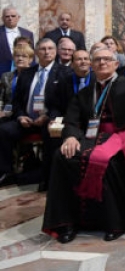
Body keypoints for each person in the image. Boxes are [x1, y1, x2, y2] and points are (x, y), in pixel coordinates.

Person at [42, 47, 125, 243]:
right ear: (92, 65)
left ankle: (114, 222)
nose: (102, 63)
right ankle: (66, 222)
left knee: (108, 161)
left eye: (106, 59)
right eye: (97, 60)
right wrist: (70, 137)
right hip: (90, 138)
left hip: (122, 138)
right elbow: (71, 120)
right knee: (63, 157)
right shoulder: (85, 93)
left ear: (116, 64)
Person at [6, 38, 72, 189]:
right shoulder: (27, 73)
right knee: (3, 131)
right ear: (36, 52)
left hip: (50, 118)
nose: (47, 52)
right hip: (26, 119)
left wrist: (48, 116)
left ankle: (48, 178)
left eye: (50, 48)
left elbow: (64, 103)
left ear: (55, 52)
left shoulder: (65, 73)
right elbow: (16, 101)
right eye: (43, 49)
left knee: (53, 133)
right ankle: (7, 173)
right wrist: (21, 115)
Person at [0, 43, 35, 185]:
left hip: (23, 115)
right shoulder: (7, 76)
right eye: (17, 56)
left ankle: (9, 168)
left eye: (24, 56)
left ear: (31, 59)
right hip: (6, 113)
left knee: (3, 130)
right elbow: (2, 98)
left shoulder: (34, 76)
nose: (20, 59)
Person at [1, 6, 33, 73]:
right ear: (2, 18)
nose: (10, 18)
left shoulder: (28, 33)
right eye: (7, 16)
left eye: (13, 16)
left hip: (24, 71)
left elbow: (31, 54)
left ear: (18, 18)